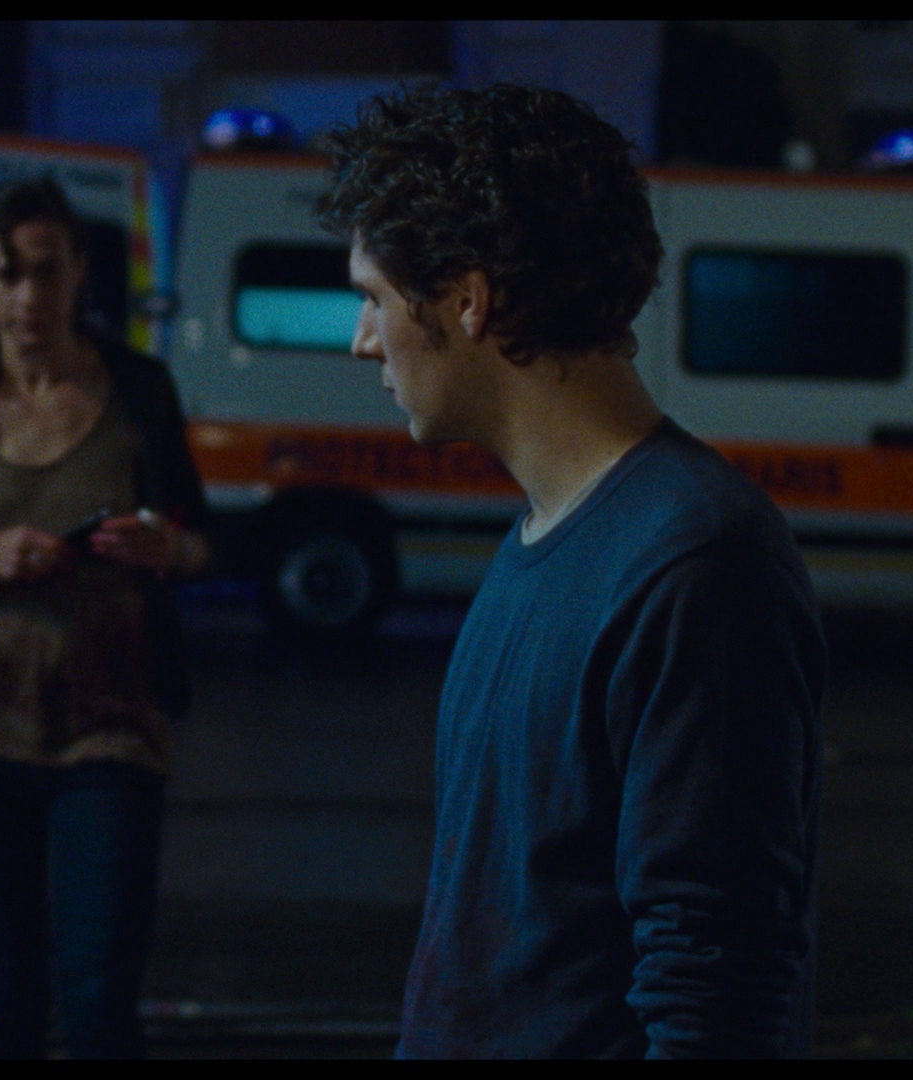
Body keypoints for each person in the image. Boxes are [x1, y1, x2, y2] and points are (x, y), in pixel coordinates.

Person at [314, 84, 826, 1058]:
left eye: (374, 298)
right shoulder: (553, 536)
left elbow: (716, 988)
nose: (362, 339)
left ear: (468, 300)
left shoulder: (697, 560)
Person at [0, 177, 213, 1059]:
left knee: (101, 994)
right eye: (9, 273)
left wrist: (167, 545)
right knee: (5, 995)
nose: (29, 295)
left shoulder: (137, 388)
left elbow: (206, 541)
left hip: (112, 726)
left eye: (47, 270)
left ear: (79, 272)